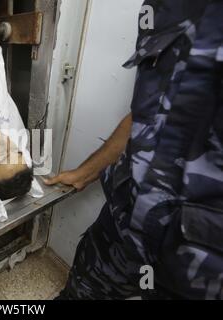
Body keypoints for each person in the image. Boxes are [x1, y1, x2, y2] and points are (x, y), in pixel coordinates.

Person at [45, 0, 223, 299]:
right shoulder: (162, 8)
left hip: (201, 265)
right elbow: (148, 115)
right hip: (123, 224)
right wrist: (85, 173)